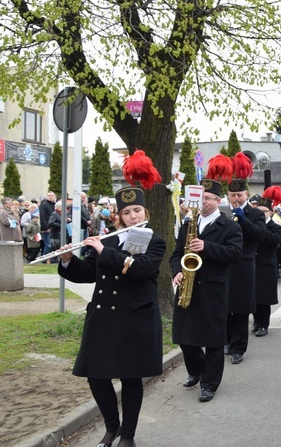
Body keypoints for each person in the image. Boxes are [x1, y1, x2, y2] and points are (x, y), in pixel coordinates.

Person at [57, 186, 167, 447]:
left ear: (145, 212)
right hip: (104, 317)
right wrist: (67, 259)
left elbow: (141, 269)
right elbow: (87, 274)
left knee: (130, 377)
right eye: (127, 212)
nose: (133, 216)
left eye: (137, 210)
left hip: (135, 319)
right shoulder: (108, 241)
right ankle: (112, 427)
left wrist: (103, 252)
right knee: (96, 375)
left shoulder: (155, 241)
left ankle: (127, 436)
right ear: (120, 216)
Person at [170, 179, 243, 402]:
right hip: (187, 285)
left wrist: (206, 247)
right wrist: (176, 272)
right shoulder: (188, 223)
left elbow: (235, 254)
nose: (203, 202)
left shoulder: (230, 225)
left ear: (217, 201)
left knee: (213, 340)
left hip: (213, 289)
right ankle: (196, 370)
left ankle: (210, 384)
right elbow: (175, 255)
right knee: (184, 336)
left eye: (208, 198)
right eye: (200, 198)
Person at [224, 178, 268, 363]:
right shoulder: (222, 212)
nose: (236, 198)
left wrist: (244, 220)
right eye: (232, 195)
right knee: (225, 305)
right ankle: (226, 341)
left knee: (241, 307)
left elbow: (261, 235)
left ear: (246, 195)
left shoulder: (256, 213)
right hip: (225, 263)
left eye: (239, 195)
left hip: (245, 263)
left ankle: (238, 348)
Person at [252, 193, 281, 337]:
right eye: (258, 211)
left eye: (264, 211)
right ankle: (256, 321)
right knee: (253, 295)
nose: (261, 214)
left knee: (264, 298)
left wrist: (260, 229)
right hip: (254, 264)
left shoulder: (275, 226)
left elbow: (274, 241)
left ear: (270, 212)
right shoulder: (253, 225)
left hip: (267, 266)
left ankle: (264, 324)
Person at [38, 191, 56, 255]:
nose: (50, 197)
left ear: (54, 196)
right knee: (48, 244)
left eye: (52, 195)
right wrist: (46, 228)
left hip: (53, 227)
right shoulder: (44, 204)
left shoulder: (55, 204)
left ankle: (49, 257)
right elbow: (42, 217)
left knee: (52, 244)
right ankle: (45, 258)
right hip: (47, 228)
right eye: (49, 195)